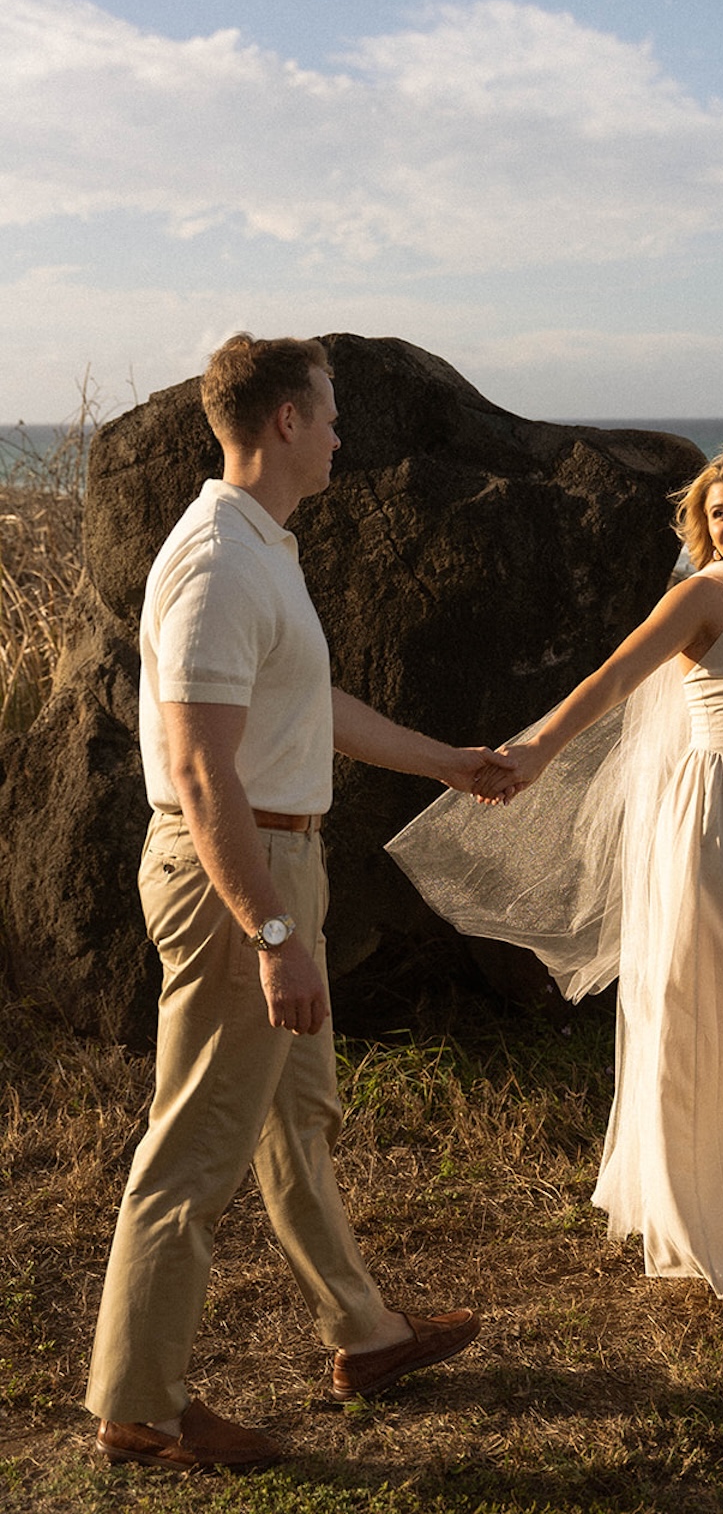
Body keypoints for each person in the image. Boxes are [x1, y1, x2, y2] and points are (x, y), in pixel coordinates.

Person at [86, 333, 514, 1473]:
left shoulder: (264, 546)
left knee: (296, 1118)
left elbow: (308, 704)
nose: (339, 435)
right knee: (195, 1150)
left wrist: (447, 761)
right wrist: (271, 932)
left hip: (286, 860)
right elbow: (198, 772)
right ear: (283, 422)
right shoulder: (218, 559)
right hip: (238, 874)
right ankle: (141, 1409)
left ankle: (365, 1334)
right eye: (327, 416)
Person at [394, 444, 723, 1306]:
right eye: (719, 514)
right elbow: (611, 680)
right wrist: (532, 750)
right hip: (709, 827)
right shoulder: (702, 600)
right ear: (705, 533)